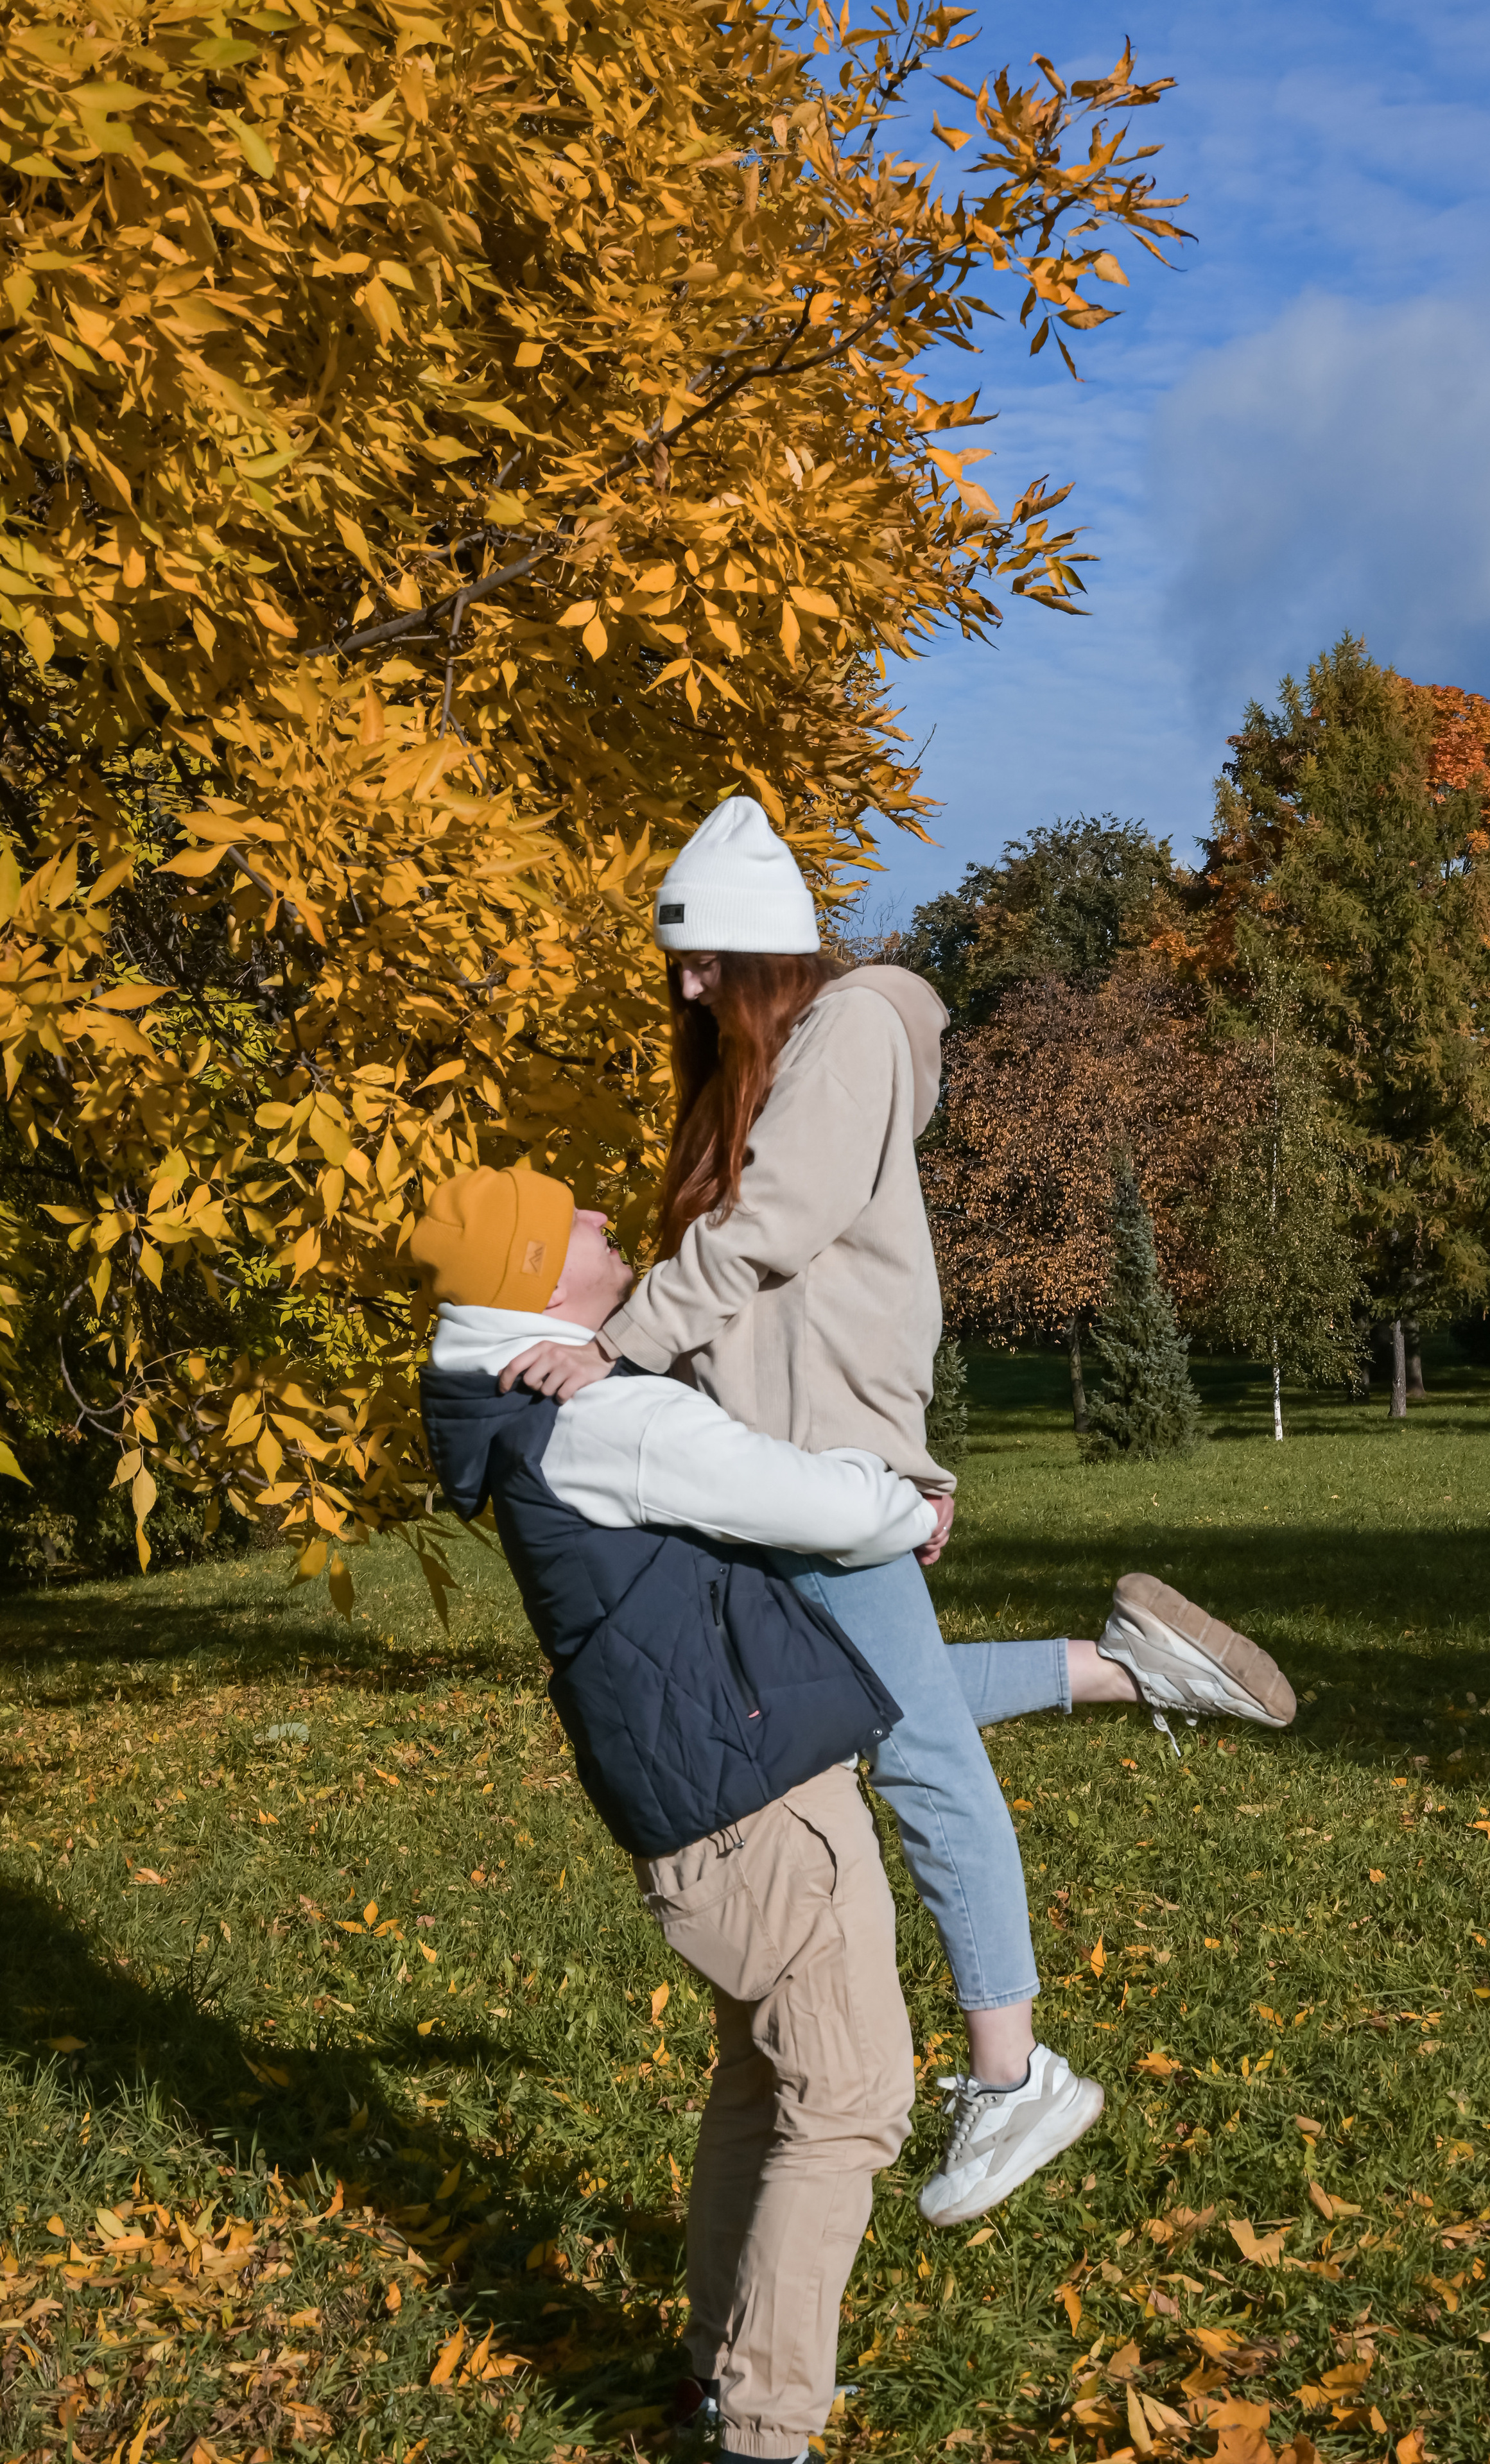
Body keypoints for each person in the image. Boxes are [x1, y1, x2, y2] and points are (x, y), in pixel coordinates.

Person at [496, 796, 1297, 2229]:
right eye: (673, 963)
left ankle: (1013, 2072)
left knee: (916, 1753)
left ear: (767, 950)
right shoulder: (786, 1057)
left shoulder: (855, 1028)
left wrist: (611, 1350)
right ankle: (1123, 1667)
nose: (683, 987)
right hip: (783, 1458)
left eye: (701, 961)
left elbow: (772, 1236)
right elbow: (767, 1277)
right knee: (871, 1705)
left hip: (819, 1463)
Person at [413, 1167, 925, 2464]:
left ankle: (716, 2366)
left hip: (701, 1811)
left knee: (761, 2083)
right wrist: (906, 1504)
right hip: (762, 1809)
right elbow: (812, 1503)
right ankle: (762, 2434)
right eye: (579, 1222)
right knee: (850, 2102)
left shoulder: (534, 1411)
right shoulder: (605, 1419)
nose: (608, 1226)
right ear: (539, 1277)